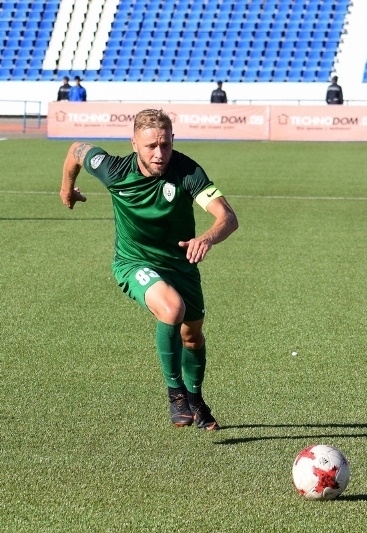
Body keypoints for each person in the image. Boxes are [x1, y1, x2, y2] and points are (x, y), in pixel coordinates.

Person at [59, 108, 239, 430]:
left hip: (180, 265)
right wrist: (66, 188)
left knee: (192, 337)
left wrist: (207, 238)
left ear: (172, 141)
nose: (159, 154)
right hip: (134, 262)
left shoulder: (187, 171)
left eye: (165, 145)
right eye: (151, 146)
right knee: (172, 309)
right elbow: (76, 150)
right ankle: (176, 394)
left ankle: (195, 399)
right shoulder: (114, 170)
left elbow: (227, 217)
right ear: (134, 144)